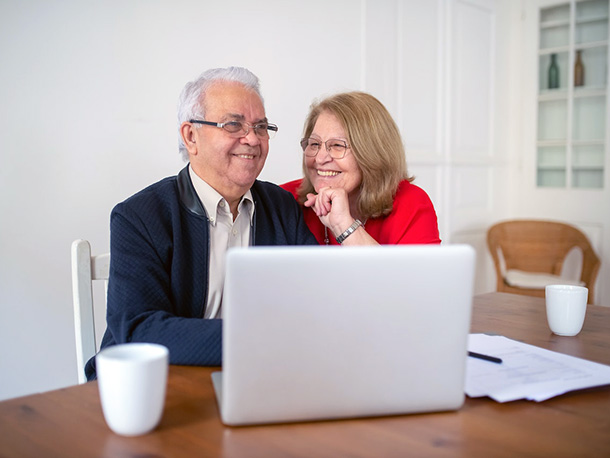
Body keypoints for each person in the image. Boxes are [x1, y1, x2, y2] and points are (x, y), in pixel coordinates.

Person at [85, 67, 317, 380]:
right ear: (191, 136)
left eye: (261, 127)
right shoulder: (139, 216)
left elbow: (319, 301)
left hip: (258, 378)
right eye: (233, 124)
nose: (252, 139)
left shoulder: (281, 207)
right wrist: (257, 339)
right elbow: (139, 328)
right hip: (156, 385)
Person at [281, 91, 441, 246]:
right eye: (314, 144)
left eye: (337, 145)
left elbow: (415, 274)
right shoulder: (282, 201)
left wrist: (343, 225)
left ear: (372, 153)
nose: (320, 158)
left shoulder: (411, 205)